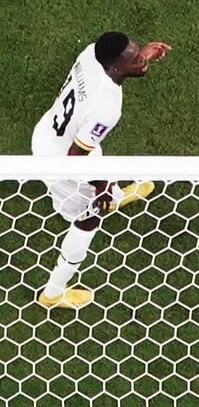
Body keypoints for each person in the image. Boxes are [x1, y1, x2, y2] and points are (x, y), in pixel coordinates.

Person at [30, 32, 171, 309]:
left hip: (52, 132)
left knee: (102, 165)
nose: (141, 59)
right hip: (61, 158)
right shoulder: (105, 107)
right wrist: (100, 185)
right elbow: (75, 158)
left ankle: (115, 197)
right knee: (88, 217)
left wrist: (141, 55)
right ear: (116, 66)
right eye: (135, 59)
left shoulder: (91, 53)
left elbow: (85, 145)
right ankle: (53, 293)